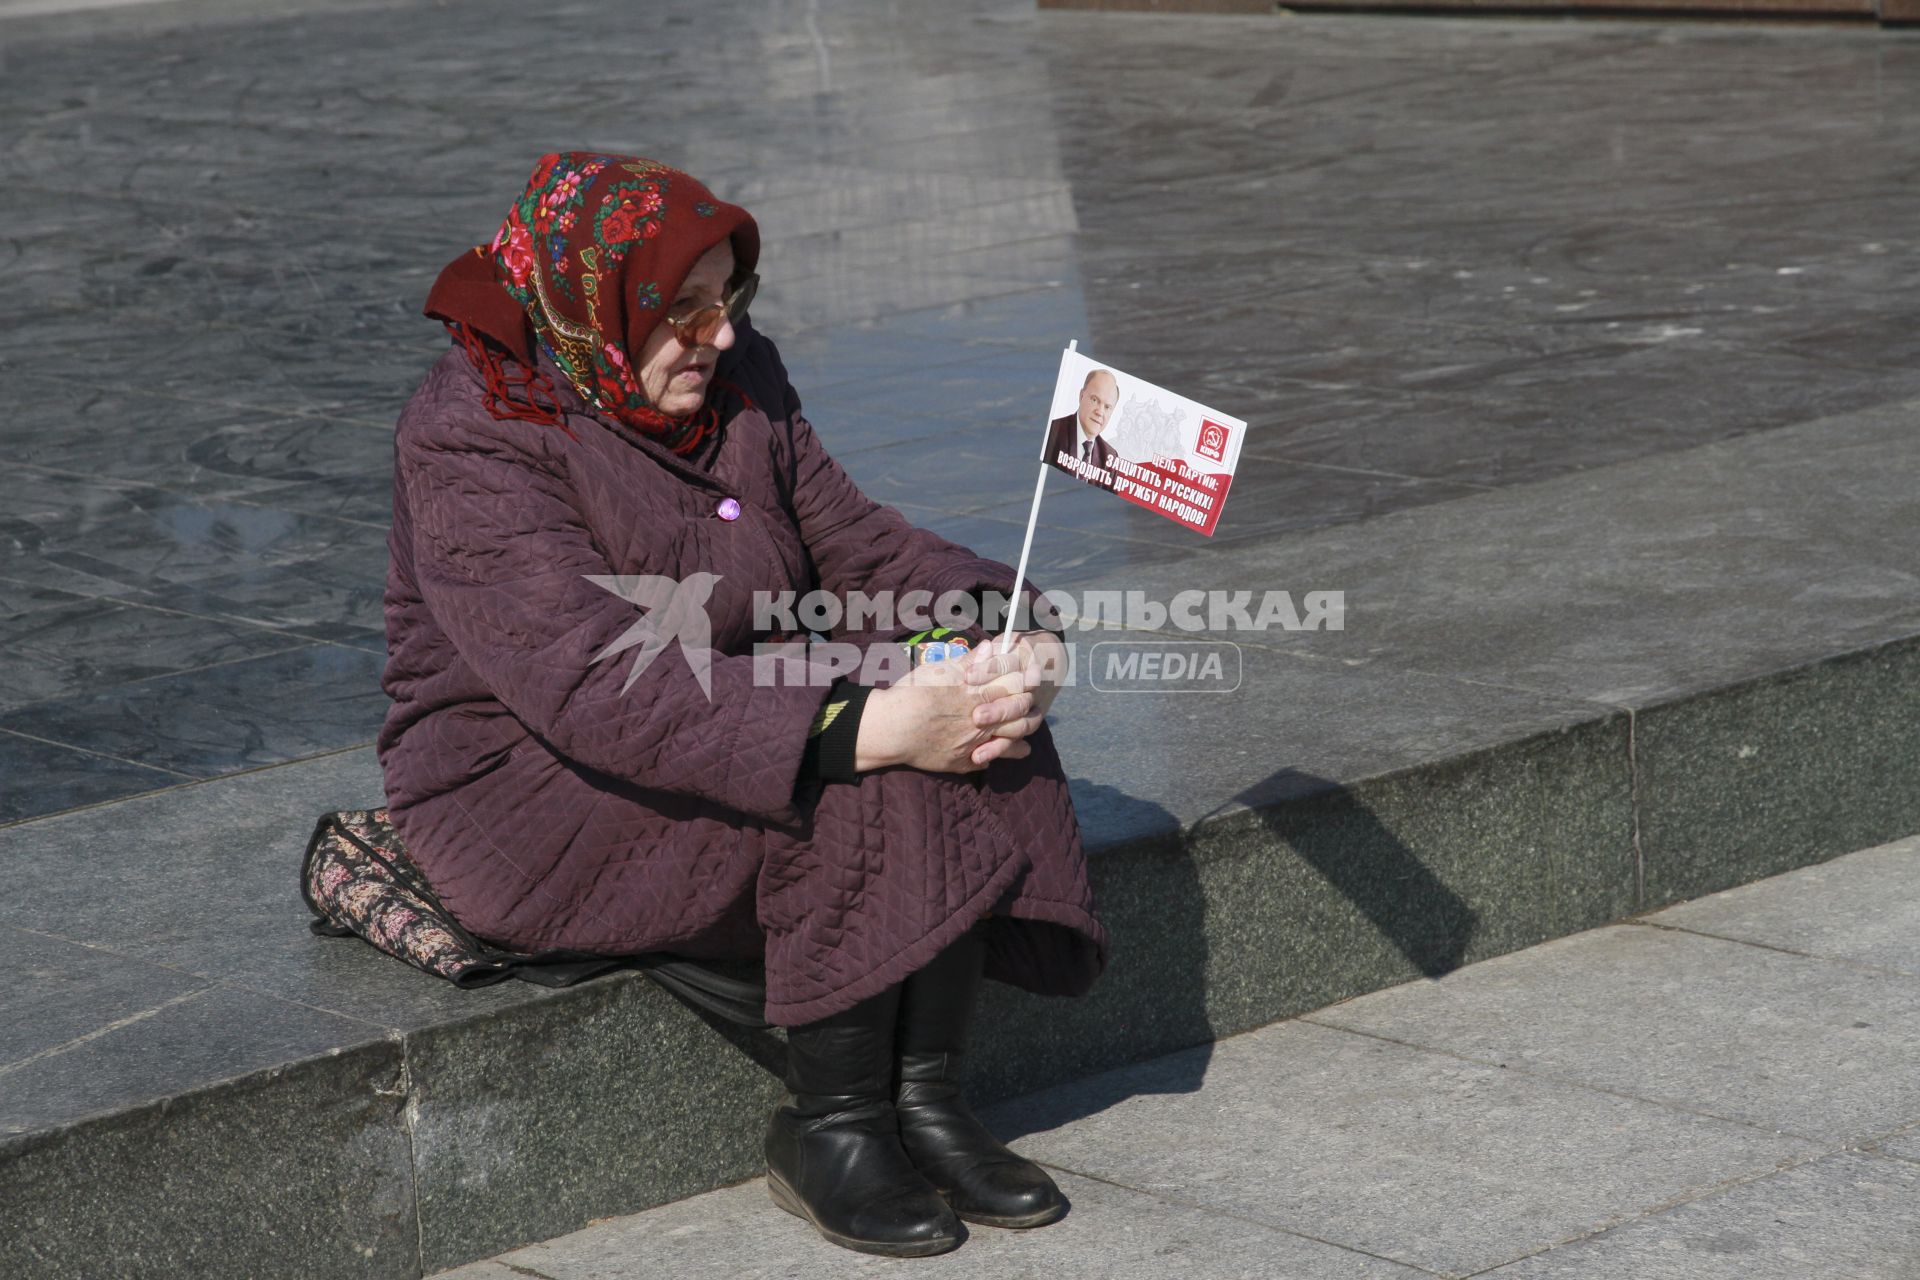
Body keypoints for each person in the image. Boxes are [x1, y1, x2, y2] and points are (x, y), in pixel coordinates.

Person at [376, 153, 1108, 1259]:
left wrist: (1009, 627)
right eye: (682, 311)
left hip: (716, 696)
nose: (717, 336)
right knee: (865, 747)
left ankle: (925, 1099)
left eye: (729, 302)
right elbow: (590, 677)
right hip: (523, 780)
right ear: (596, 304)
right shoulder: (475, 425)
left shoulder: (737, 375)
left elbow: (856, 544)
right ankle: (838, 1126)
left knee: (965, 692)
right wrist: (857, 724)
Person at [1043, 368, 1120, 489]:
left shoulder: (1111, 458)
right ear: (1081, 396)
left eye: (1107, 407)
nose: (1100, 412)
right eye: (1095, 400)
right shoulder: (1052, 433)